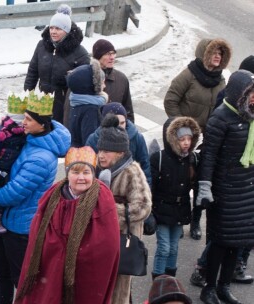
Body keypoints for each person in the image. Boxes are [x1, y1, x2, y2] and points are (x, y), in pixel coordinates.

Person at [0, 92, 71, 304]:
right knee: (2, 274)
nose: (23, 122)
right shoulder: (33, 139)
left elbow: (14, 193)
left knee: (21, 282)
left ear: (42, 125)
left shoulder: (41, 158)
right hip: (9, 223)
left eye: (28, 119)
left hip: (21, 229)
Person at [15, 146, 120, 303]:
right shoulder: (52, 196)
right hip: (49, 270)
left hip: (85, 278)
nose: (81, 178)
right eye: (75, 172)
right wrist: (56, 253)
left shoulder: (102, 200)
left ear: (93, 174)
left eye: (86, 172)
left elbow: (106, 246)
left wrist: (75, 256)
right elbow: (37, 237)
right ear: (67, 174)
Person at [164, 37, 231, 241]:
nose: (217, 56)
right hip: (186, 137)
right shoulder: (189, 74)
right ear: (204, 54)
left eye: (221, 53)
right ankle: (174, 217)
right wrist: (182, 127)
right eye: (213, 52)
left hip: (208, 139)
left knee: (202, 178)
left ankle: (195, 221)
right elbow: (171, 100)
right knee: (182, 178)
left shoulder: (220, 80)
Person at [196, 70, 254, 304]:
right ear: (238, 93)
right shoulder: (220, 118)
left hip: (247, 190)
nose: (253, 98)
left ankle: (224, 286)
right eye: (250, 93)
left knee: (237, 242)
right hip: (224, 190)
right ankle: (208, 288)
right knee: (220, 241)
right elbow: (208, 156)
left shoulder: (250, 117)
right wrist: (205, 187)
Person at [96, 114, 152, 304]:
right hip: (103, 237)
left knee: (119, 286)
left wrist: (107, 212)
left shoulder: (132, 171)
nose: (101, 155)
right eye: (100, 150)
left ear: (120, 152)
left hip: (123, 239)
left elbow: (143, 206)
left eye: (106, 151)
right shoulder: (100, 170)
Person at [150, 116, 201, 280]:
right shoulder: (159, 158)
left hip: (180, 209)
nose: (186, 142)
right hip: (162, 208)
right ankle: (158, 280)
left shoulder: (191, 159)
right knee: (164, 247)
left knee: (173, 247)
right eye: (182, 139)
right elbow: (151, 186)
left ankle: (170, 278)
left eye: (189, 139)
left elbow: (195, 183)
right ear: (172, 139)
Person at [24, 4, 90, 123]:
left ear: (67, 30)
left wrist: (67, 80)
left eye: (58, 29)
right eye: (51, 28)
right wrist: (27, 94)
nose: (53, 32)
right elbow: (33, 71)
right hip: (42, 100)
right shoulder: (42, 46)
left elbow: (84, 83)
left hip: (65, 104)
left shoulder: (80, 53)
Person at [0, 92, 27, 233]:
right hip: (1, 170)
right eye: (20, 123)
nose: (22, 126)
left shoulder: (24, 133)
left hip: (14, 168)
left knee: (11, 193)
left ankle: (3, 216)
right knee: (1, 193)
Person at [86, 102, 151, 185]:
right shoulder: (93, 139)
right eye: (115, 123)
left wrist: (146, 188)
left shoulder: (136, 137)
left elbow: (145, 166)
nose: (119, 126)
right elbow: (88, 169)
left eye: (122, 123)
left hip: (129, 186)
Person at [67, 59, 108, 147]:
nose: (104, 86)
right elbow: (91, 142)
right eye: (102, 83)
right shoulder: (90, 109)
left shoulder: (76, 102)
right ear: (91, 86)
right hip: (87, 158)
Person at [92, 39, 135, 122]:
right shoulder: (85, 77)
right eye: (108, 54)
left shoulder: (121, 79)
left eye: (113, 53)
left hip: (115, 131)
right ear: (98, 56)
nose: (112, 58)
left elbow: (128, 112)